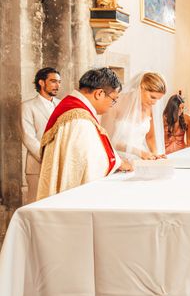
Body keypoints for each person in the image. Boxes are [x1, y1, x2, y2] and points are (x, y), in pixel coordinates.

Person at [37, 68, 132, 200]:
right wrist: (118, 163)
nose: (112, 105)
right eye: (113, 99)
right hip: (73, 199)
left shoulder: (73, 108)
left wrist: (118, 160)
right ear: (99, 93)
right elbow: (87, 163)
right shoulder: (79, 120)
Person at [101, 72, 167, 160]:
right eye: (152, 97)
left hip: (141, 159)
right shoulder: (115, 102)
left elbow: (150, 137)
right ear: (141, 87)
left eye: (158, 99)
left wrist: (155, 154)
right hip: (118, 159)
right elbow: (107, 139)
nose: (154, 103)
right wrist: (139, 152)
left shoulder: (149, 108)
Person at [21, 67, 62, 204]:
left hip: (61, 164)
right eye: (53, 81)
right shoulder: (27, 106)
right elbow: (28, 137)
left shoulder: (62, 105)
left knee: (57, 204)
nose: (57, 85)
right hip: (37, 164)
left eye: (59, 82)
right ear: (41, 82)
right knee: (36, 203)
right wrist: (48, 156)